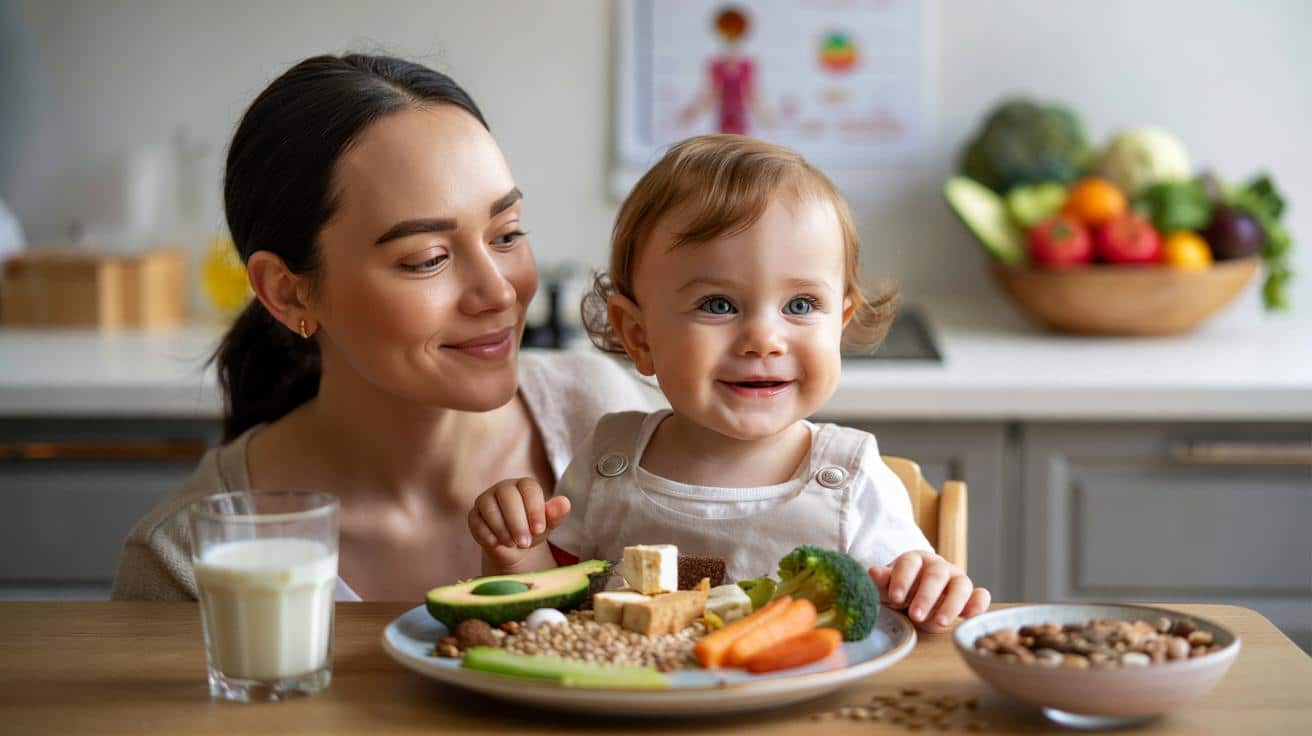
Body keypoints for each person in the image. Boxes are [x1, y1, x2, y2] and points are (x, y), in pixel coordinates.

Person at [111, 54, 659, 602]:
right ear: (287, 291)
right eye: (427, 259)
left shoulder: (606, 420)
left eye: (506, 235)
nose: (499, 292)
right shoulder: (188, 565)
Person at [468, 135, 990, 632]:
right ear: (639, 335)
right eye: (718, 305)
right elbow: (550, 610)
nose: (764, 340)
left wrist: (928, 586)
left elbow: (908, 614)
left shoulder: (854, 481)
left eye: (801, 305)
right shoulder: (607, 464)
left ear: (840, 322)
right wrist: (517, 554)